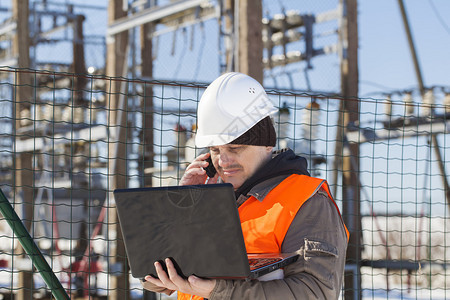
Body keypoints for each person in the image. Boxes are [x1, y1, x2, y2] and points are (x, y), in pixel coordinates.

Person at [141, 72, 349, 299]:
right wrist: (183, 205)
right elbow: (157, 278)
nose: (222, 161)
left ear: (267, 144)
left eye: (235, 148)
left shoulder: (307, 201)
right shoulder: (212, 203)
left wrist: (219, 290)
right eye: (215, 150)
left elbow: (314, 293)